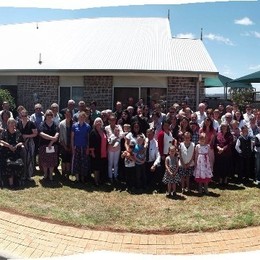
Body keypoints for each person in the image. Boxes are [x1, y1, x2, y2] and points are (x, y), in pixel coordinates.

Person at [0, 118, 25, 188]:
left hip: (16, 153)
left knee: (20, 164)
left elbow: (22, 141)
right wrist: (9, 146)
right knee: (9, 164)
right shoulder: (4, 132)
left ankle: (17, 180)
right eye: (10, 123)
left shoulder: (18, 132)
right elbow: (1, 141)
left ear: (15, 124)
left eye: (13, 123)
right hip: (7, 153)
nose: (12, 124)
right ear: (7, 124)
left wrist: (17, 145)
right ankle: (11, 183)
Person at [38, 109, 59, 181]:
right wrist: (52, 138)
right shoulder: (42, 124)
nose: (49, 116)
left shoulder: (55, 124)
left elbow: (57, 134)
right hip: (44, 145)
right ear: (45, 116)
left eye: (50, 115)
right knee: (44, 160)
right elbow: (41, 134)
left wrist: (51, 143)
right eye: (47, 115)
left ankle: (50, 174)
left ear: (52, 116)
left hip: (53, 146)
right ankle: (45, 174)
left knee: (52, 161)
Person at [16, 109, 38, 181]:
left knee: (30, 159)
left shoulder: (31, 123)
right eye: (22, 115)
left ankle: (29, 175)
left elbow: (35, 133)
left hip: (30, 143)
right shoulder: (18, 123)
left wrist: (27, 136)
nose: (24, 117)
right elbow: (17, 133)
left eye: (25, 115)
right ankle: (23, 175)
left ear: (27, 115)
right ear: (20, 116)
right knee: (23, 159)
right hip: (21, 143)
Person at [71, 111, 91, 183]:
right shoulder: (74, 126)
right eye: (80, 117)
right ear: (78, 117)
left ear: (85, 118)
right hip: (76, 146)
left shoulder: (88, 126)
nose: (81, 118)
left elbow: (88, 139)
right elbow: (72, 137)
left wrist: (88, 148)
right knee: (76, 162)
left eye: (83, 117)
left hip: (84, 147)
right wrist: (72, 147)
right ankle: (77, 178)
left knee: (83, 163)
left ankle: (82, 178)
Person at [89, 117, 108, 186]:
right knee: (96, 168)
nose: (98, 123)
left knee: (101, 167)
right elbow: (91, 143)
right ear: (94, 123)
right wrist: (92, 152)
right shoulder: (93, 132)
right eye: (97, 121)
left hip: (103, 152)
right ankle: (96, 181)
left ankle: (100, 180)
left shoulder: (104, 131)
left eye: (100, 121)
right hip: (96, 152)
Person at [59, 108, 73, 179]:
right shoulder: (61, 124)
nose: (68, 116)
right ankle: (63, 174)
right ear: (65, 115)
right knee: (64, 160)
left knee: (69, 160)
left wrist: (71, 145)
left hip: (71, 145)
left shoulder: (73, 123)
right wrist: (64, 146)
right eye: (66, 114)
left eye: (69, 114)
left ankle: (68, 174)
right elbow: (61, 137)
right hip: (63, 144)